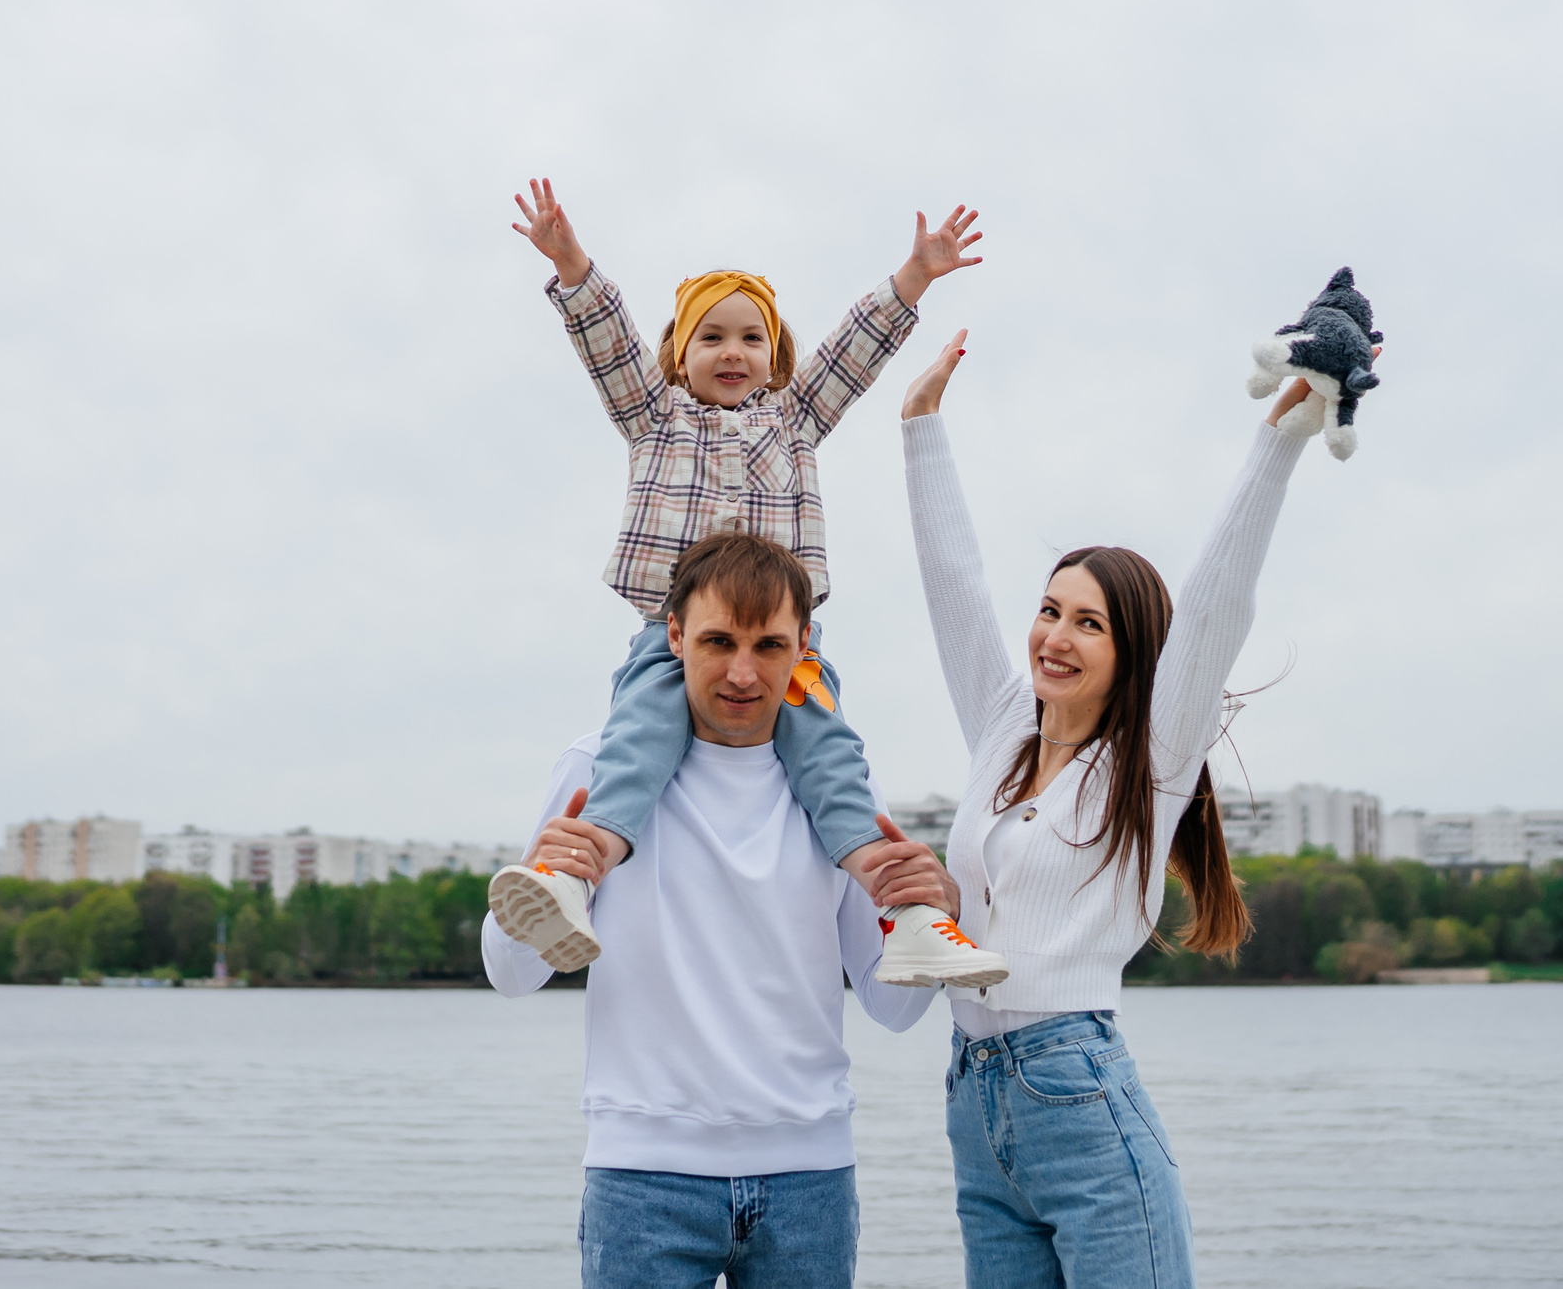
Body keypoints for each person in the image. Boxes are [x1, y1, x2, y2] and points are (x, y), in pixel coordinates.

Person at [897, 325, 1347, 1287]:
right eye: (1051, 609)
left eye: (1088, 623)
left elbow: (1219, 597)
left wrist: (1278, 445)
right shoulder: (1004, 727)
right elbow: (955, 588)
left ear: (1130, 652)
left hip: (1079, 1096)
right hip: (974, 1102)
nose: (1055, 636)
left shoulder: (1149, 761)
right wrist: (921, 429)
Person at [487, 177, 1005, 990]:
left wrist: (914, 277)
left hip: (787, 651)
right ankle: (570, 883)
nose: (733, 353)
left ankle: (907, 919)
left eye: (752, 339)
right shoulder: (654, 417)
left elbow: (851, 352)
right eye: (712, 338)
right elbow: (608, 341)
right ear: (678, 357)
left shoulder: (793, 420)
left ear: (774, 357)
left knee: (834, 762)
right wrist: (570, 260)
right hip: (674, 643)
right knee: (633, 748)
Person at [483, 531, 959, 1289]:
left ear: (804, 644)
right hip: (643, 1180)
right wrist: (546, 876)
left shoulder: (844, 795)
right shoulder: (596, 767)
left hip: (811, 1180)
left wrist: (925, 914)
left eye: (769, 644)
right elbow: (510, 974)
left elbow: (892, 1009)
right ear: (673, 635)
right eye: (717, 641)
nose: (742, 672)